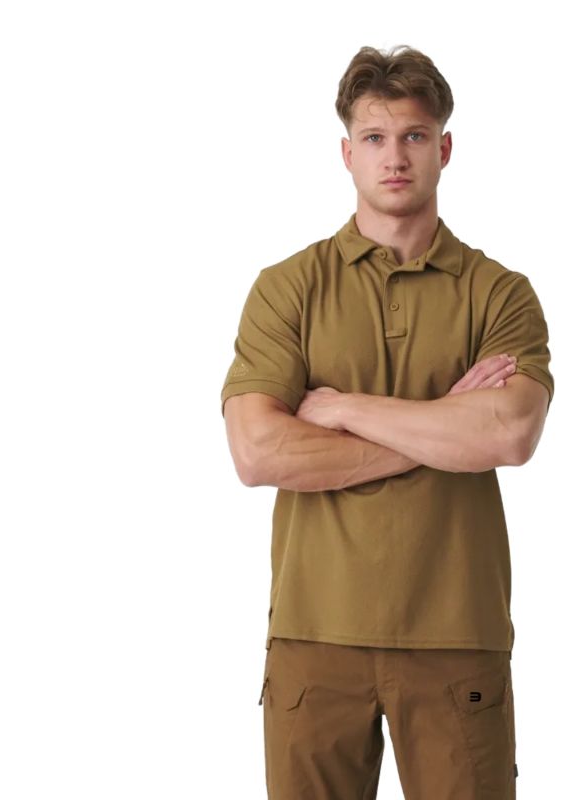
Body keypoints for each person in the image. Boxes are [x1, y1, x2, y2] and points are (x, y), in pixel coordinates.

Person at [220, 43, 554, 800]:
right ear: (347, 153)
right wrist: (442, 426)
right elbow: (257, 450)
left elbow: (508, 434)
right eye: (374, 137)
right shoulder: (287, 288)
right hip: (313, 629)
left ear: (444, 148)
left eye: (413, 135)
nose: (394, 156)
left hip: (457, 630)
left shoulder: (500, 293)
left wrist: (342, 409)